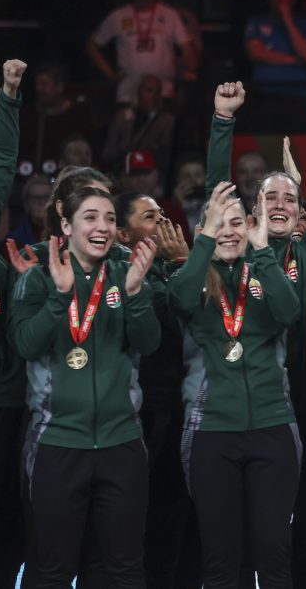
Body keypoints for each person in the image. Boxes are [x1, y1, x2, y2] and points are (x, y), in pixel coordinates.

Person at [204, 81, 306, 587]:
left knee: (303, 537)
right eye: (272, 196)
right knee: (240, 544)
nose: (283, 202)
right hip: (253, 412)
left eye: (291, 196)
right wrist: (224, 120)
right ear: (253, 207)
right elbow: (213, 193)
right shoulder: (234, 254)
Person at [11, 184, 159, 587]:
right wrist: (60, 297)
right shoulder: (38, 275)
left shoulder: (128, 271)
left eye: (110, 218)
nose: (103, 227)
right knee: (51, 570)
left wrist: (134, 294)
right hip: (57, 442)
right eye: (90, 217)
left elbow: (150, 343)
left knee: (123, 567)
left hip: (121, 442)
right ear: (66, 224)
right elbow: (24, 344)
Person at [167, 181, 301, 588]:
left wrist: (261, 251)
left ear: (251, 226)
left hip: (273, 427)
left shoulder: (265, 267)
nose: (227, 231)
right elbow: (180, 300)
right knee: (222, 559)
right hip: (212, 432)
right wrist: (203, 242)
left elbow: (290, 311)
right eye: (216, 224)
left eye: (236, 223)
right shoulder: (191, 276)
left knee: (274, 555)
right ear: (202, 231)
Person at [113, 191, 192, 589]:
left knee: (175, 514)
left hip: (178, 408)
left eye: (163, 212)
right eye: (150, 216)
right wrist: (182, 266)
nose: (163, 220)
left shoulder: (174, 268)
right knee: (147, 516)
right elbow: (160, 334)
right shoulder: (118, 276)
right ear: (123, 234)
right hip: (144, 415)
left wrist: (183, 264)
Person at [0, 60, 27, 587]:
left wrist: (7, 98)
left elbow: (2, 161)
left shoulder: (3, 267)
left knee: (3, 511)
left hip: (2, 398)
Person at [87, 0, 197, 104]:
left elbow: (188, 51)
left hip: (162, 94)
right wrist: (110, 74)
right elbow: (92, 45)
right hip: (128, 95)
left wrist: (182, 66)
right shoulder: (118, 16)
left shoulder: (170, 16)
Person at [244, 0, 306, 99]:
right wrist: (295, 60)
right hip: (264, 92)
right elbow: (256, 53)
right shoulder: (256, 22)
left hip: (299, 92)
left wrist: (287, 19)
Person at [18, 62, 95, 180]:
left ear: (59, 86)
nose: (38, 89)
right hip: (34, 182)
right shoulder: (30, 115)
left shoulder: (78, 115)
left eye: (44, 84)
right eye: (37, 84)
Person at [103, 74, 177, 173]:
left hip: (151, 173)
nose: (154, 96)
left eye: (158, 91)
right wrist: (122, 153)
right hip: (122, 172)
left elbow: (165, 155)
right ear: (138, 92)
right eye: (149, 90)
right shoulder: (122, 117)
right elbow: (108, 153)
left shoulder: (167, 121)